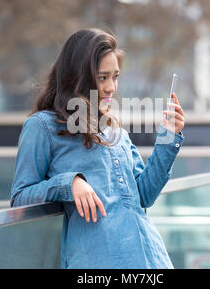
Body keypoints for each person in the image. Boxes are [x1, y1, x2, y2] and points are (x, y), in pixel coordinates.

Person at [10, 27, 186, 269]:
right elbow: (20, 198)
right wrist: (70, 183)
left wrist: (169, 136)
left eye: (115, 77)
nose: (112, 87)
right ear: (78, 76)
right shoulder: (42, 127)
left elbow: (144, 195)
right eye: (103, 77)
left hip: (152, 260)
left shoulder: (115, 131)